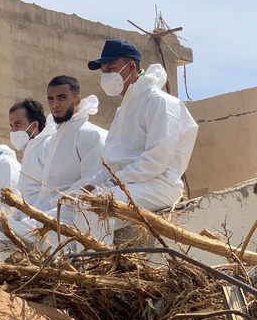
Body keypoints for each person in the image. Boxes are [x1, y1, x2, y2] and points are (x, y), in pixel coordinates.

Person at [73, 39, 198, 243]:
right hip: (128, 185)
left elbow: (157, 158)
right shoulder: (123, 111)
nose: (106, 76)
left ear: (131, 66)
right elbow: (111, 161)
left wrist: (117, 181)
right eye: (103, 71)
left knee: (95, 207)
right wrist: (90, 185)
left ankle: (94, 268)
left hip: (158, 185)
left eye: (111, 69)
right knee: (75, 205)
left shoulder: (160, 101)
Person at [34, 76, 107, 211]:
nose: (54, 104)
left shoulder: (89, 133)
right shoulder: (57, 136)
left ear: (77, 100)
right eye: (51, 99)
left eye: (61, 98)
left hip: (72, 212)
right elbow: (48, 191)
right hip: (47, 210)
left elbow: (92, 183)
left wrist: (53, 206)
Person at [9, 99, 55, 207]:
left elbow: (52, 191)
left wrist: (33, 218)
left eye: (17, 124)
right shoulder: (29, 149)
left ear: (34, 125)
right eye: (11, 125)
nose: (13, 130)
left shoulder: (47, 145)